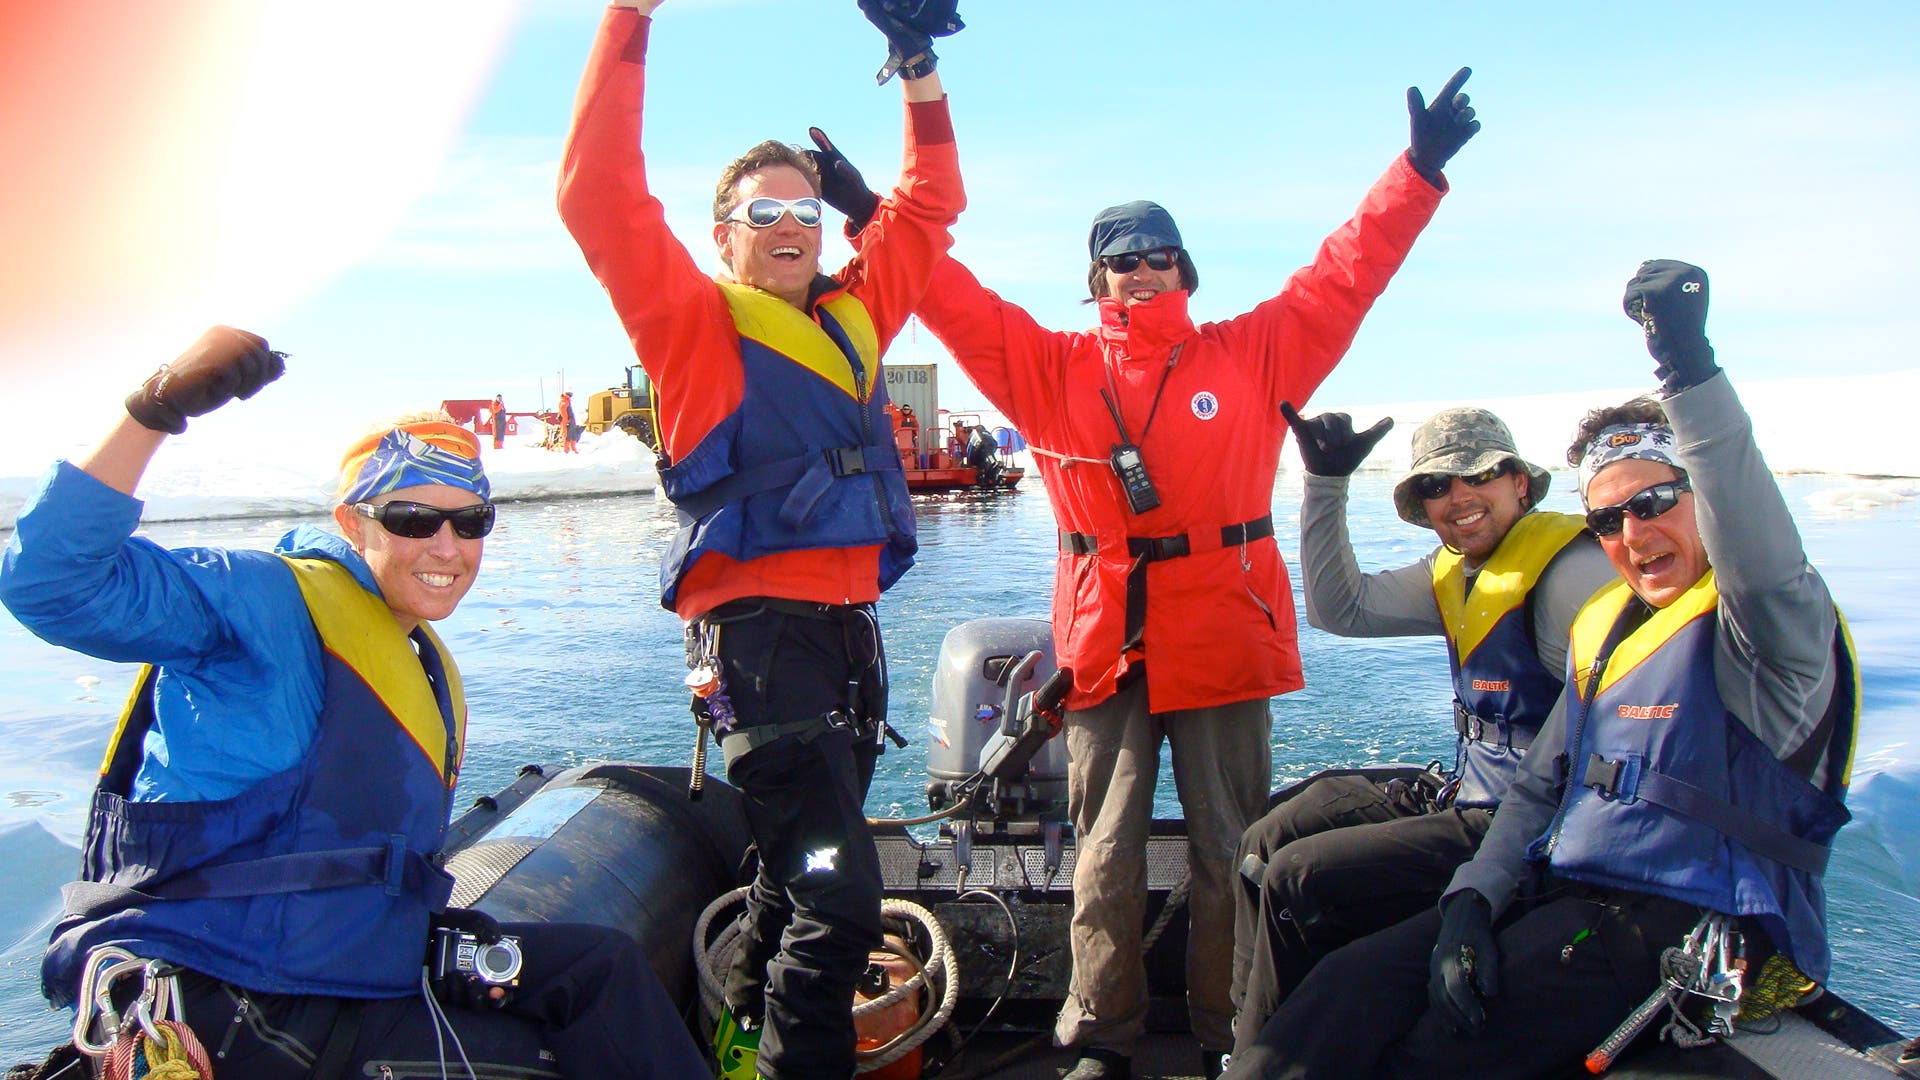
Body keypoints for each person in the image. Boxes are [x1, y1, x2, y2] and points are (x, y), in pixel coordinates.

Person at [805, 65, 1480, 1080]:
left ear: (1186, 270)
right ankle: (1100, 1038)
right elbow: (947, 295)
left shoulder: (1256, 352)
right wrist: (868, 210)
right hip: (1104, 643)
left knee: (1232, 849)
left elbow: (1348, 272)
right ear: (1096, 282)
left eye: (1158, 257)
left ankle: (1228, 1032)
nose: (1140, 273)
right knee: (1105, 852)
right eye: (1119, 261)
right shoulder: (1047, 367)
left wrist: (1415, 173)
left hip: (1224, 635)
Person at [0, 327, 706, 1078]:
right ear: (351, 522)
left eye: (471, 522)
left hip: (343, 953)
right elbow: (52, 583)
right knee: (544, 1058)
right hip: (236, 989)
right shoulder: (259, 602)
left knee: (601, 968)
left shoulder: (410, 648)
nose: (447, 547)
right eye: (413, 520)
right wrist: (153, 411)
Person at [1225, 260, 1857, 1079]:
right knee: (1342, 990)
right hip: (1562, 877)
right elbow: (1535, 789)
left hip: (1697, 918)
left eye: (1654, 502)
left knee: (1422, 1051)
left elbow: (1759, 547)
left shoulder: (1768, 636)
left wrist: (1686, 367)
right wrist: (1468, 904)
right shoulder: (1607, 626)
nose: (1632, 534)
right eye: (1608, 519)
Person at [555, 2, 963, 1077]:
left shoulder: (856, 317)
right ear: (722, 235)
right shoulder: (690, 323)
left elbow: (929, 208)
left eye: (806, 209)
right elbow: (596, 194)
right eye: (762, 209)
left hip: (848, 640)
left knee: (795, 874)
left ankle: (740, 1034)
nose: (790, 226)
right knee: (840, 901)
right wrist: (630, 18)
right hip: (758, 647)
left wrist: (917, 68)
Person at [1228, 405, 1615, 1056]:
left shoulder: (1571, 577)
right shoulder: (1458, 571)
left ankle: (1270, 1057)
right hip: (1464, 791)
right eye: (1437, 485)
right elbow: (1339, 608)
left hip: (1522, 822)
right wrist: (1325, 483)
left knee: (1296, 876)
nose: (1459, 497)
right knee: (1268, 835)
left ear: (1521, 482)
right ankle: (1240, 1035)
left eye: (1480, 475)